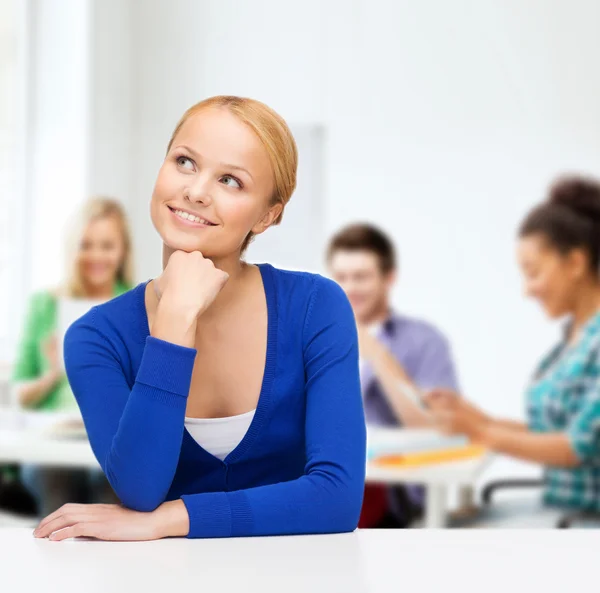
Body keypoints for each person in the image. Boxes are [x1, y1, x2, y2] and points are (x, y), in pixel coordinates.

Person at [33, 96, 366, 542]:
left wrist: (169, 520)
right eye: (185, 162)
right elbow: (139, 489)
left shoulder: (316, 308)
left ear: (267, 215)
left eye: (230, 180)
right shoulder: (96, 338)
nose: (196, 191)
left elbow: (336, 499)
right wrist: (174, 323)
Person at [426, 175, 600, 527]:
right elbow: (549, 429)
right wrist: (477, 418)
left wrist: (481, 432)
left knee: (443, 534)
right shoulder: (573, 340)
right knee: (449, 523)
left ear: (576, 263)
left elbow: (577, 446)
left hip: (581, 522)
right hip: (560, 511)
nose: (527, 290)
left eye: (533, 273)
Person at [327, 223, 459, 527]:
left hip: (386, 493)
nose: (350, 288)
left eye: (361, 277)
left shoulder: (425, 341)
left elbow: (433, 427)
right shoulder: (314, 338)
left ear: (389, 278)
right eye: (341, 278)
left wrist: (372, 348)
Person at [11, 197, 134, 516]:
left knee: (114, 489)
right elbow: (20, 397)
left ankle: (108, 566)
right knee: (57, 484)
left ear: (122, 252)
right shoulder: (45, 305)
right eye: (86, 245)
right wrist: (52, 375)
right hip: (54, 445)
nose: (96, 255)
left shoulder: (135, 305)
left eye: (107, 246)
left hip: (112, 442)